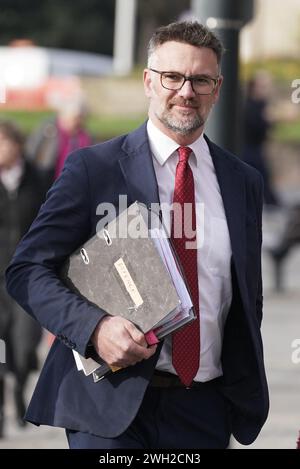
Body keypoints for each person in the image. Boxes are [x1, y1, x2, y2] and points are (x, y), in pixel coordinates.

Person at [5, 21, 269, 449]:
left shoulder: (243, 182)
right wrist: (94, 329)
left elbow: (245, 292)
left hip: (204, 409)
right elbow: (26, 270)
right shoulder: (94, 169)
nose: (186, 91)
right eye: (173, 77)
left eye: (200, 80)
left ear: (217, 88)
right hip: (110, 408)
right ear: (149, 82)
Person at [0, 121, 43, 437]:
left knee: (26, 345)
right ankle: (3, 406)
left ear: (16, 145)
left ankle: (19, 385)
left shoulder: (38, 179)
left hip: (28, 278)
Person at [26, 96, 92, 194]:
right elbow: (31, 152)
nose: (79, 121)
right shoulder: (48, 129)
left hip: (75, 185)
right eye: (76, 117)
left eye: (81, 118)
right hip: (47, 181)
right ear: (63, 116)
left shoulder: (84, 135)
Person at [242, 71, 280, 207]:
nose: (266, 90)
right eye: (263, 86)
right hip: (248, 150)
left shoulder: (260, 104)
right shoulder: (248, 106)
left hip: (254, 148)